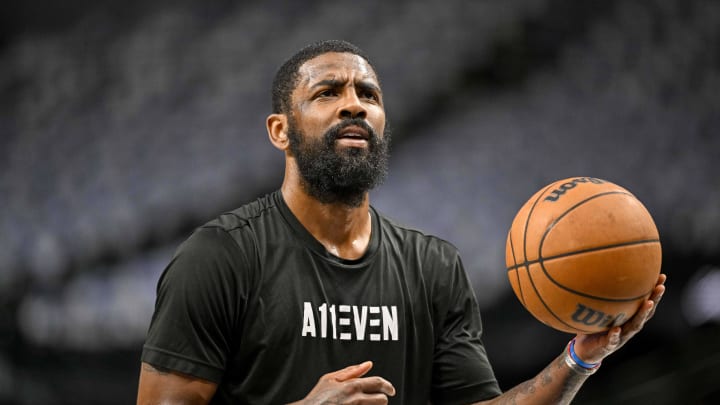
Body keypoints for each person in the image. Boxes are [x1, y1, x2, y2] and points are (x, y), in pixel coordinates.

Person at [136, 39, 666, 404]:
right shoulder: (219, 257)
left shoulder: (433, 266)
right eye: (328, 93)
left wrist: (579, 359)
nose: (355, 106)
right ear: (281, 130)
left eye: (368, 94)